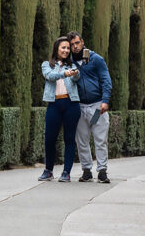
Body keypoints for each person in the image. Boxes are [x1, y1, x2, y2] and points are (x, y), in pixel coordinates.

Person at [67, 31, 112, 183]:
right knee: (82, 139)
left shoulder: (96, 59)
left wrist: (105, 100)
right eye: (72, 44)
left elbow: (106, 80)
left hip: (96, 106)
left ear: (83, 42)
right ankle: (86, 170)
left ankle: (102, 171)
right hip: (79, 107)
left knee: (100, 138)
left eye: (77, 43)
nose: (75, 46)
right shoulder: (69, 62)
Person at [39, 36, 81, 182]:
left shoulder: (72, 65)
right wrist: (64, 73)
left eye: (68, 48)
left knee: (69, 139)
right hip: (54, 104)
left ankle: (66, 172)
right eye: (63, 47)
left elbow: (77, 78)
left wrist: (74, 73)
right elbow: (49, 76)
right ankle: (48, 170)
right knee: (49, 138)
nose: (66, 50)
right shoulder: (47, 65)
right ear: (57, 49)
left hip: (71, 104)